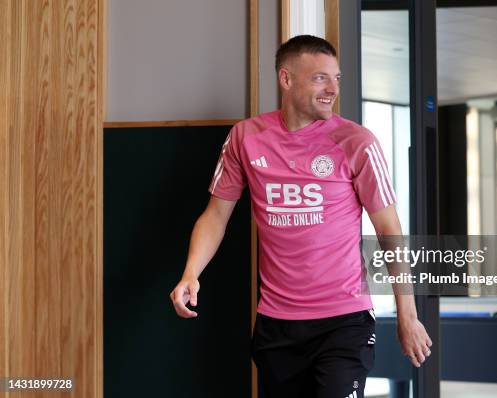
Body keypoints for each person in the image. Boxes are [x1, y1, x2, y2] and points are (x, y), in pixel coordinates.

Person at [170, 34, 432, 398]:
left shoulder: (357, 142)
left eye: (336, 78)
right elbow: (216, 216)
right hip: (277, 326)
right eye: (320, 78)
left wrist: (408, 314)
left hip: (344, 322)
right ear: (286, 78)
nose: (332, 89)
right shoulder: (245, 138)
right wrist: (191, 272)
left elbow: (389, 229)